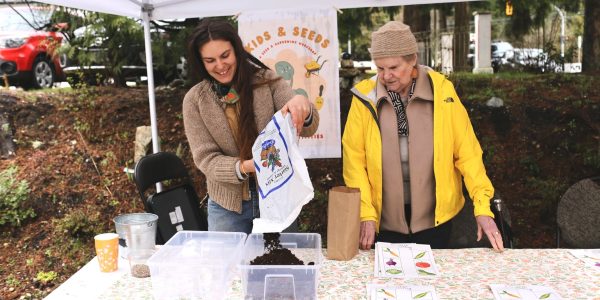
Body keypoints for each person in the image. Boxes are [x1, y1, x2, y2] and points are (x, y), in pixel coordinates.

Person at [342, 21, 504, 252]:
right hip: (382, 222)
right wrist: (366, 213)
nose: (386, 76)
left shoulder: (442, 92)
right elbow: (354, 162)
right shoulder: (364, 99)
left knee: (431, 283)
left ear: (412, 60)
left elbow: (467, 153)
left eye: (394, 67)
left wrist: (482, 207)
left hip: (435, 221)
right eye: (379, 68)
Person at [183, 19, 319, 234]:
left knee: (280, 264)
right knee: (227, 266)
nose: (220, 65)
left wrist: (304, 108)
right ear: (201, 62)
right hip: (227, 206)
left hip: (279, 195)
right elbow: (206, 159)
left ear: (236, 50)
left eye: (225, 55)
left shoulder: (268, 81)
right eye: (210, 60)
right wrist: (246, 167)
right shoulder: (195, 101)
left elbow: (308, 126)